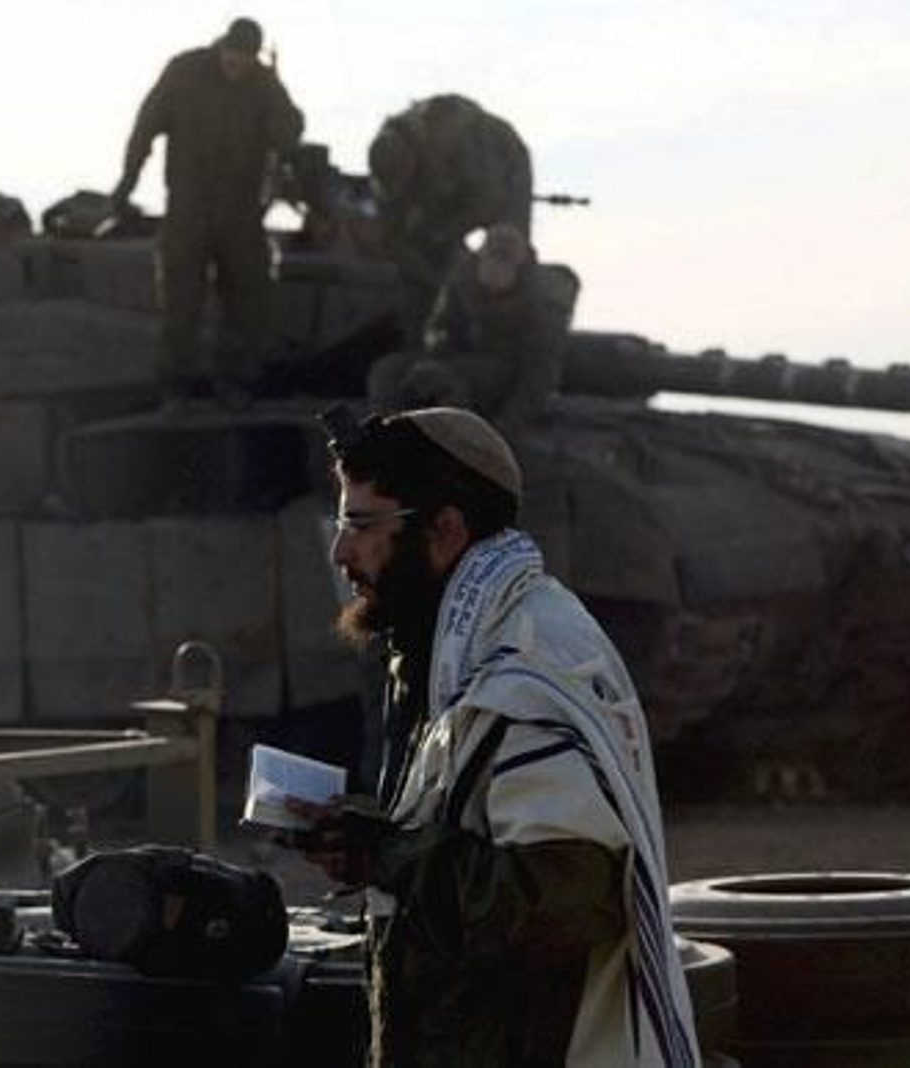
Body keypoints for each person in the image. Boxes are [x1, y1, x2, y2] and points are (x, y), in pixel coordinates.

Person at [292, 406, 699, 1066]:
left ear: (445, 529)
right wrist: (372, 847)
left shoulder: (526, 667)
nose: (340, 552)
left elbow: (563, 900)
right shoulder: (452, 648)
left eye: (363, 526)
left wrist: (390, 856)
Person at [109, 16, 304, 402]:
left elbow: (290, 136)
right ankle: (177, 387)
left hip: (241, 209)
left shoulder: (264, 85)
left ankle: (235, 382)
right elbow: (145, 127)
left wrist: (276, 96)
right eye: (232, 54)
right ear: (222, 46)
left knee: (247, 294)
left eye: (245, 58)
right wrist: (126, 185)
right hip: (188, 204)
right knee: (180, 297)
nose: (236, 64)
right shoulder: (185, 72)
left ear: (254, 57)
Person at [367, 223, 578, 434]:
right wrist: (433, 355)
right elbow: (440, 328)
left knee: (448, 383)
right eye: (490, 257)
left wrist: (504, 430)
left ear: (519, 267)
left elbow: (539, 376)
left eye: (503, 260)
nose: (495, 267)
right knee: (388, 370)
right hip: (458, 360)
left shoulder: (544, 305)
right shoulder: (463, 282)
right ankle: (389, 434)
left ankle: (457, 441)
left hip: (506, 374)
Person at [367, 94, 533, 345]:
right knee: (421, 258)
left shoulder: (456, 139)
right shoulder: (387, 163)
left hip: (504, 173)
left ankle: (509, 341)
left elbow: (486, 203)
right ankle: (426, 335)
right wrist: (425, 273)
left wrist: (443, 233)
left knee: (506, 249)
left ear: (411, 158)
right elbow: (393, 235)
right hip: (449, 188)